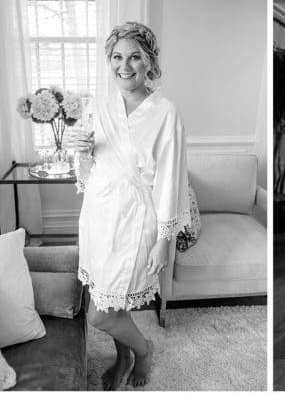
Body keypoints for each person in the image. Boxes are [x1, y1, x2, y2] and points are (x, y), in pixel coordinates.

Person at [73, 22, 198, 390]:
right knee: (111, 299)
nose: (124, 66)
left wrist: (164, 239)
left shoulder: (165, 112)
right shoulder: (98, 105)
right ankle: (123, 355)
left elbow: (171, 179)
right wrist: (81, 152)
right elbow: (87, 171)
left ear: (149, 63)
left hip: (135, 216)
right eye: (116, 57)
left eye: (134, 57)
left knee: (100, 314)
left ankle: (143, 351)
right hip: (98, 213)